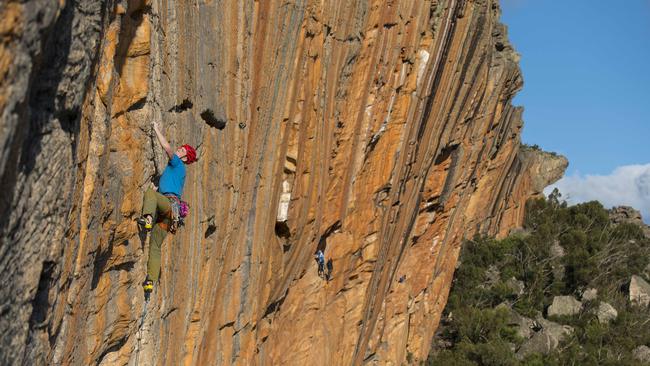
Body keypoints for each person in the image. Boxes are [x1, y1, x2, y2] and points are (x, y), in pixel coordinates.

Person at [138, 121, 197, 293]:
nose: (178, 149)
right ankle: (150, 281)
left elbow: (167, 148)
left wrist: (156, 129)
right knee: (155, 246)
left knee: (150, 194)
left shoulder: (178, 164)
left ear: (185, 158)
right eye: (180, 148)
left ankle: (147, 219)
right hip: (171, 215)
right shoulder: (179, 172)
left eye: (182, 150)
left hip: (168, 206)